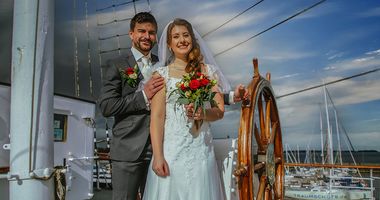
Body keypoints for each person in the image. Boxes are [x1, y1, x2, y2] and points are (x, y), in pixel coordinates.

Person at [143, 18, 229, 200]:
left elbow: (219, 110)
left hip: (201, 150)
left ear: (192, 39)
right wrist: (158, 156)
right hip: (172, 152)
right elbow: (157, 118)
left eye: (185, 35)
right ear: (169, 44)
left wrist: (204, 113)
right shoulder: (162, 75)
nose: (182, 40)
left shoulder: (208, 72)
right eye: (176, 37)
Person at [98, 12, 165, 200]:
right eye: (141, 31)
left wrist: (230, 98)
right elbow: (107, 106)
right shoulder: (117, 64)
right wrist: (144, 95)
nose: (147, 36)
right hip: (128, 149)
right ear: (131, 34)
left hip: (161, 149)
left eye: (151, 32)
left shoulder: (163, 64)